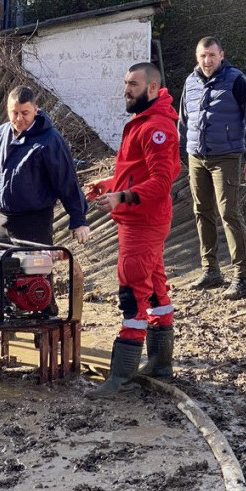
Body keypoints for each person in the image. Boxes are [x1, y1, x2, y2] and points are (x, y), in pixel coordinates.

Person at [85, 62, 181, 397]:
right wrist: (109, 185)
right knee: (155, 290)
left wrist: (121, 196)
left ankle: (121, 378)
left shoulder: (157, 128)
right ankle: (159, 363)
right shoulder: (146, 122)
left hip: (143, 222)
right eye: (126, 83)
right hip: (142, 218)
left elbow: (161, 182)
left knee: (132, 295)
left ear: (153, 88)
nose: (126, 90)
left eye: (134, 84)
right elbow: (137, 175)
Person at [178, 37, 246, 301]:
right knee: (201, 211)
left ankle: (243, 277)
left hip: (226, 157)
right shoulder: (190, 82)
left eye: (212, 56)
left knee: (228, 212)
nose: (207, 61)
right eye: (202, 56)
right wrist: (177, 153)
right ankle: (211, 271)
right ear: (197, 57)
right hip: (196, 157)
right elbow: (183, 121)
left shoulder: (236, 80)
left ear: (221, 55)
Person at [0, 86, 91, 248]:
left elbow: (66, 181)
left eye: (25, 113)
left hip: (33, 223)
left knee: (33, 272)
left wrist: (78, 219)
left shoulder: (50, 140)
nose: (19, 119)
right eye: (14, 113)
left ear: (36, 110)